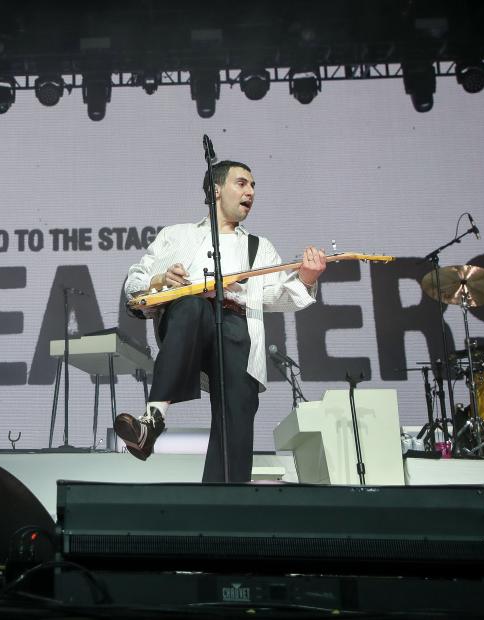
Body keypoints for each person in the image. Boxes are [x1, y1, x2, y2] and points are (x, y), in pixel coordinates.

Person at [116, 160, 326, 483]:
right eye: (242, 183)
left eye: (253, 186)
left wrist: (307, 278)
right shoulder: (176, 236)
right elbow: (135, 283)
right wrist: (161, 280)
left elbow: (279, 294)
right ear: (216, 190)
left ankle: (225, 500)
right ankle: (153, 420)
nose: (250, 192)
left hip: (236, 328)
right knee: (191, 306)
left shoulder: (259, 247)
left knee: (238, 412)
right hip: (189, 323)